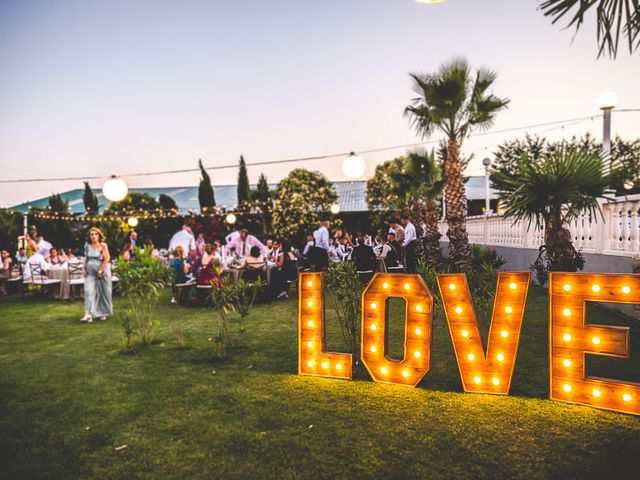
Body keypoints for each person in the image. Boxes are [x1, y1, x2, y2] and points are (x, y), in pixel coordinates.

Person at [81, 227, 112, 322]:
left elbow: (107, 258)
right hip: (90, 271)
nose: (94, 236)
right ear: (89, 236)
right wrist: (83, 269)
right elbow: (86, 258)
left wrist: (101, 270)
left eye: (96, 234)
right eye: (92, 234)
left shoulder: (103, 245)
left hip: (102, 270)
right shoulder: (87, 245)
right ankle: (87, 314)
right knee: (88, 291)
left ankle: (103, 313)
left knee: (103, 291)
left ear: (99, 235)